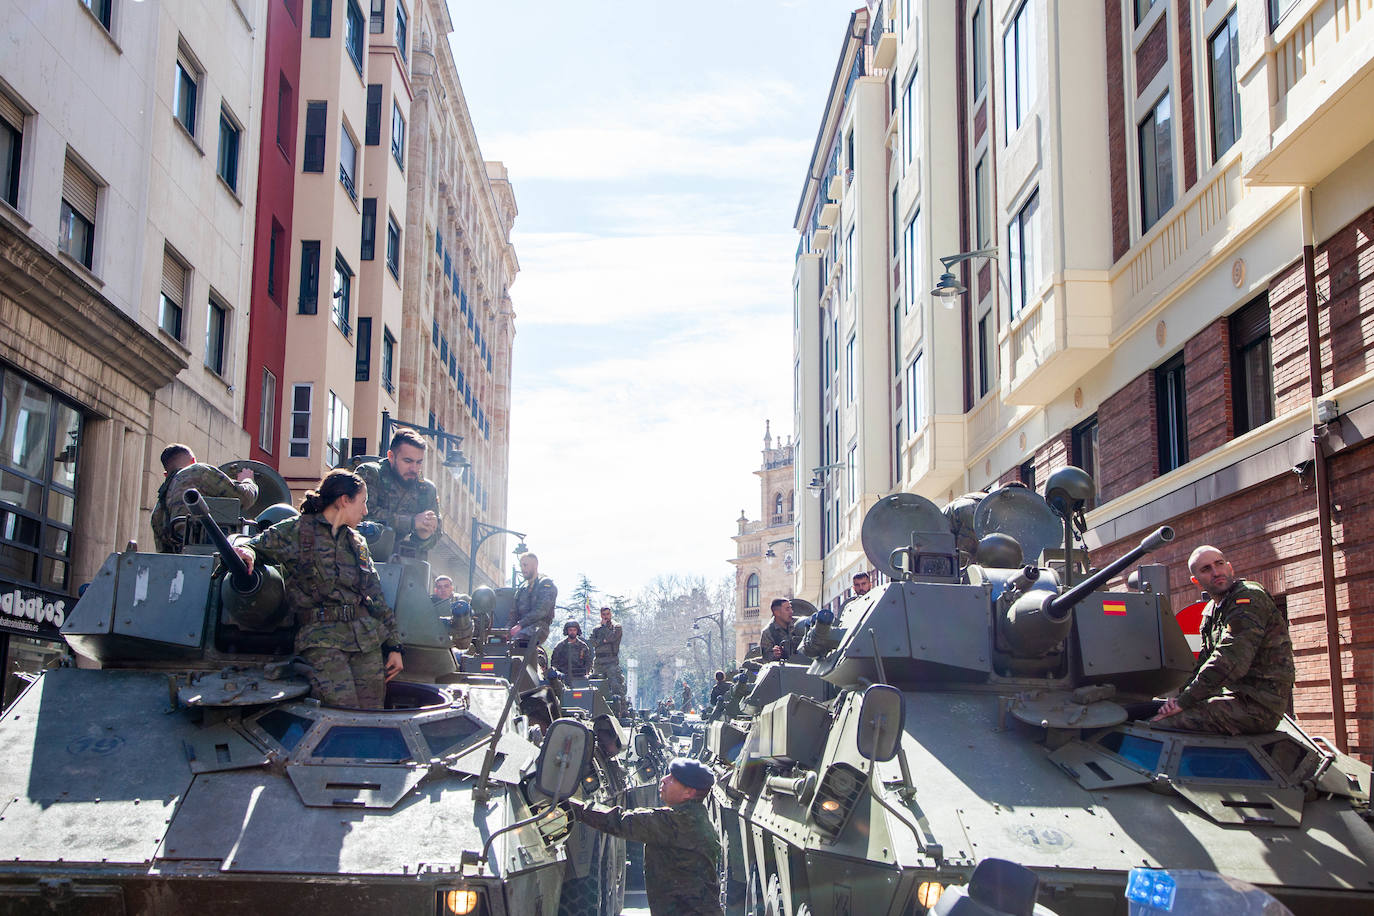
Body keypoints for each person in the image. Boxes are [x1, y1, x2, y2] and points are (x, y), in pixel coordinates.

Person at [233, 469, 404, 708]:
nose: (365, 511)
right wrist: (247, 554)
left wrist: (394, 646)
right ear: (344, 500)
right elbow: (254, 546)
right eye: (362, 502)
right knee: (341, 712)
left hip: (366, 641)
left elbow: (374, 595)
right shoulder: (296, 530)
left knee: (373, 714)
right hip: (322, 642)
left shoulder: (358, 542)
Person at [1151, 545, 1294, 735]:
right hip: (1234, 698)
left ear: (1230, 568)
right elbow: (1204, 661)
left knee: (1159, 726)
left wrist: (1184, 701)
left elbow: (1231, 658)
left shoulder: (1248, 597)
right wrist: (1179, 699)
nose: (1216, 572)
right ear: (1197, 581)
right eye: (1206, 569)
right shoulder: (1211, 611)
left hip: (1259, 706)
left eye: (1219, 564)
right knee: (1152, 714)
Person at [564, 757, 722, 916]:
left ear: (689, 792)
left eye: (673, 779)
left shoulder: (676, 822)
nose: (664, 779)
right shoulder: (696, 819)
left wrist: (575, 808)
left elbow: (619, 821)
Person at [150, 443, 259, 553]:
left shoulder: (158, 509)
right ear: (193, 461)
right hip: (211, 557)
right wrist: (248, 480)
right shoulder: (197, 471)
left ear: (166, 475)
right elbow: (245, 498)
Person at [355, 428, 442, 558]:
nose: (414, 469)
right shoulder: (370, 474)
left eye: (419, 462)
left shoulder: (426, 489)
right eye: (408, 461)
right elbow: (362, 516)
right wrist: (411, 522)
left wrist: (424, 535)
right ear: (391, 456)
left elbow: (434, 537)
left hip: (402, 563)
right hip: (361, 554)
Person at [508, 552, 557, 647]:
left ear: (535, 565)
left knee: (518, 640)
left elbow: (541, 610)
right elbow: (514, 613)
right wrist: (507, 630)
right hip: (521, 627)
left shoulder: (546, 584)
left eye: (525, 565)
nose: (522, 569)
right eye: (521, 566)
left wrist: (520, 625)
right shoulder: (522, 588)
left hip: (539, 627)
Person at [590, 605, 626, 697]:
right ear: (601, 615)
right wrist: (603, 640)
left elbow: (611, 638)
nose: (606, 616)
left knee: (616, 686)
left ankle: (621, 708)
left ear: (611, 614)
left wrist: (604, 629)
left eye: (608, 614)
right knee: (594, 685)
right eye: (604, 614)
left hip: (611, 661)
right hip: (598, 661)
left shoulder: (617, 627)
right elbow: (592, 642)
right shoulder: (596, 629)